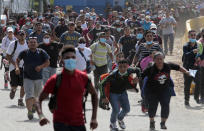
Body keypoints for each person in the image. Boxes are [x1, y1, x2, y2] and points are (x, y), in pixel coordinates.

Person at [36, 45, 98, 131]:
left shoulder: (83, 77)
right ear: (62, 60)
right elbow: (39, 99)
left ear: (76, 59)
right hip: (60, 124)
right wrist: (41, 116)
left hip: (79, 123)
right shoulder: (55, 80)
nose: (70, 60)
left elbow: (94, 94)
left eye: (73, 57)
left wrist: (94, 118)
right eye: (67, 58)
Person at [142, 52, 190, 130]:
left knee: (165, 106)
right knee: (152, 107)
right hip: (152, 91)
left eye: (161, 59)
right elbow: (142, 75)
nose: (160, 61)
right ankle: (152, 122)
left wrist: (186, 72)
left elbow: (178, 67)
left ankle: (163, 123)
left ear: (163, 59)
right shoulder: (150, 68)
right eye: (157, 59)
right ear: (154, 60)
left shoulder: (168, 65)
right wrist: (135, 79)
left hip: (165, 90)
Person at [99, 59, 140, 131]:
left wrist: (138, 78)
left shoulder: (130, 70)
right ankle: (112, 124)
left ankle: (120, 119)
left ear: (127, 67)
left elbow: (138, 70)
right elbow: (101, 84)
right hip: (113, 94)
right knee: (116, 109)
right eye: (120, 67)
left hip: (123, 93)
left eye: (125, 67)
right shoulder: (113, 75)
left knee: (127, 109)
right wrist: (103, 97)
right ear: (118, 67)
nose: (123, 69)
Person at [16, 37, 50, 120]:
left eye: (34, 42)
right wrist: (17, 67)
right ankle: (30, 111)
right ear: (28, 44)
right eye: (31, 42)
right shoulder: (24, 52)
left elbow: (47, 62)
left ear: (37, 44)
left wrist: (41, 67)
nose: (33, 43)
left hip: (38, 78)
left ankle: (34, 105)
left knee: (36, 96)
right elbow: (17, 60)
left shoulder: (41, 52)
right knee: (29, 95)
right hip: (27, 77)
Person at [6, 30, 28, 106]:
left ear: (25, 35)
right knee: (15, 84)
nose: (21, 36)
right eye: (20, 34)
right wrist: (16, 66)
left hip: (25, 67)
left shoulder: (28, 44)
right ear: (17, 36)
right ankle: (13, 90)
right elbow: (8, 55)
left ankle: (20, 100)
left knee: (24, 84)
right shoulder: (13, 44)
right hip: (14, 67)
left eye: (23, 34)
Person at [182, 30, 199, 106]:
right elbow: (186, 55)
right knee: (187, 84)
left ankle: (197, 98)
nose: (193, 36)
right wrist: (193, 52)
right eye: (191, 35)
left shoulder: (199, 45)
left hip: (196, 68)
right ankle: (186, 100)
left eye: (194, 35)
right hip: (188, 68)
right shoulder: (186, 46)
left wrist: (200, 58)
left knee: (198, 83)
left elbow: (202, 54)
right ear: (188, 36)